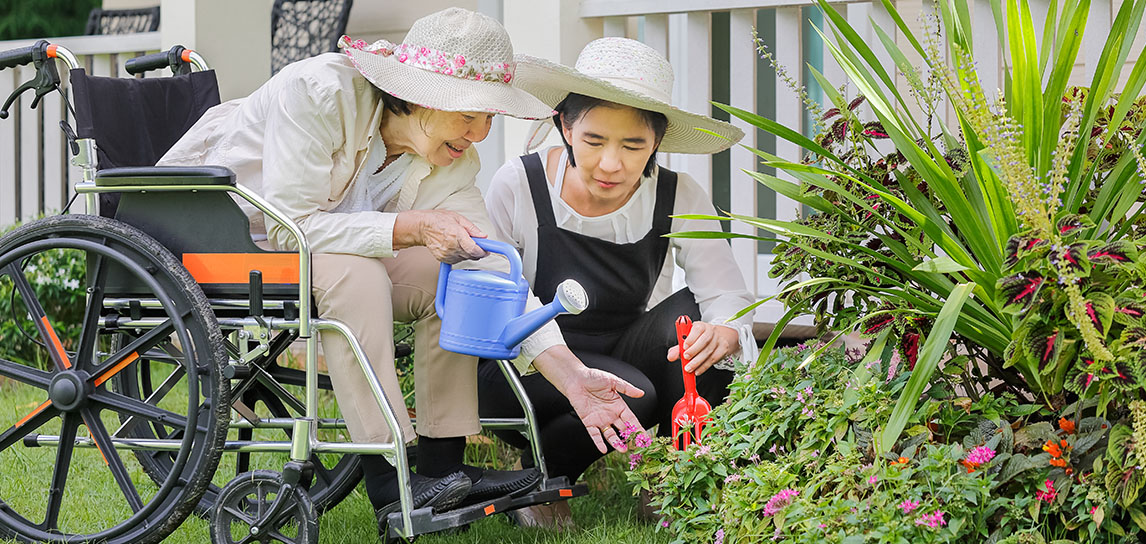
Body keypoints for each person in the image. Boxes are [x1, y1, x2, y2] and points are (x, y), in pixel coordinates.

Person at [157, 8, 645, 523]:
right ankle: (391, 475)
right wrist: (408, 228)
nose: (479, 134)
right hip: (221, 241)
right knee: (358, 270)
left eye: (489, 119)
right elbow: (289, 227)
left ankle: (443, 467)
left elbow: (493, 268)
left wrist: (571, 377)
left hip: (315, 255)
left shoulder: (452, 158)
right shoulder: (319, 92)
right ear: (419, 95)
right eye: (469, 115)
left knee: (456, 275)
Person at [477, 37, 757, 527]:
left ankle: (680, 481)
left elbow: (725, 293)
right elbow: (497, 299)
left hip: (623, 347)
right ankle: (543, 479)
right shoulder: (518, 184)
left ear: (658, 141)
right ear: (565, 125)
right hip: (524, 364)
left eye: (633, 145)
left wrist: (725, 332)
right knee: (637, 392)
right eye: (593, 141)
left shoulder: (678, 193)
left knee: (698, 322)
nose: (611, 164)